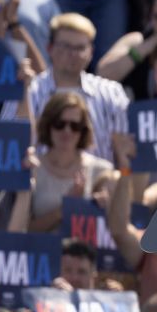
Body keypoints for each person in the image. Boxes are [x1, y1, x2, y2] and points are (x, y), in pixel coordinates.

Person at [9, 13, 130, 166]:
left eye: (80, 48)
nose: (73, 54)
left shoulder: (111, 93)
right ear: (49, 48)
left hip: (98, 185)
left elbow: (126, 151)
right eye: (65, 46)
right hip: (39, 186)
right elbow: (9, 141)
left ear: (91, 52)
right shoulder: (27, 90)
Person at [28, 91, 114, 233]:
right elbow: (24, 230)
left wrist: (104, 207)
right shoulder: (32, 169)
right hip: (42, 252)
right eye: (59, 124)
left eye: (75, 126)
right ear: (48, 125)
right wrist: (67, 207)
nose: (67, 131)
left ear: (83, 130)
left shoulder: (103, 171)